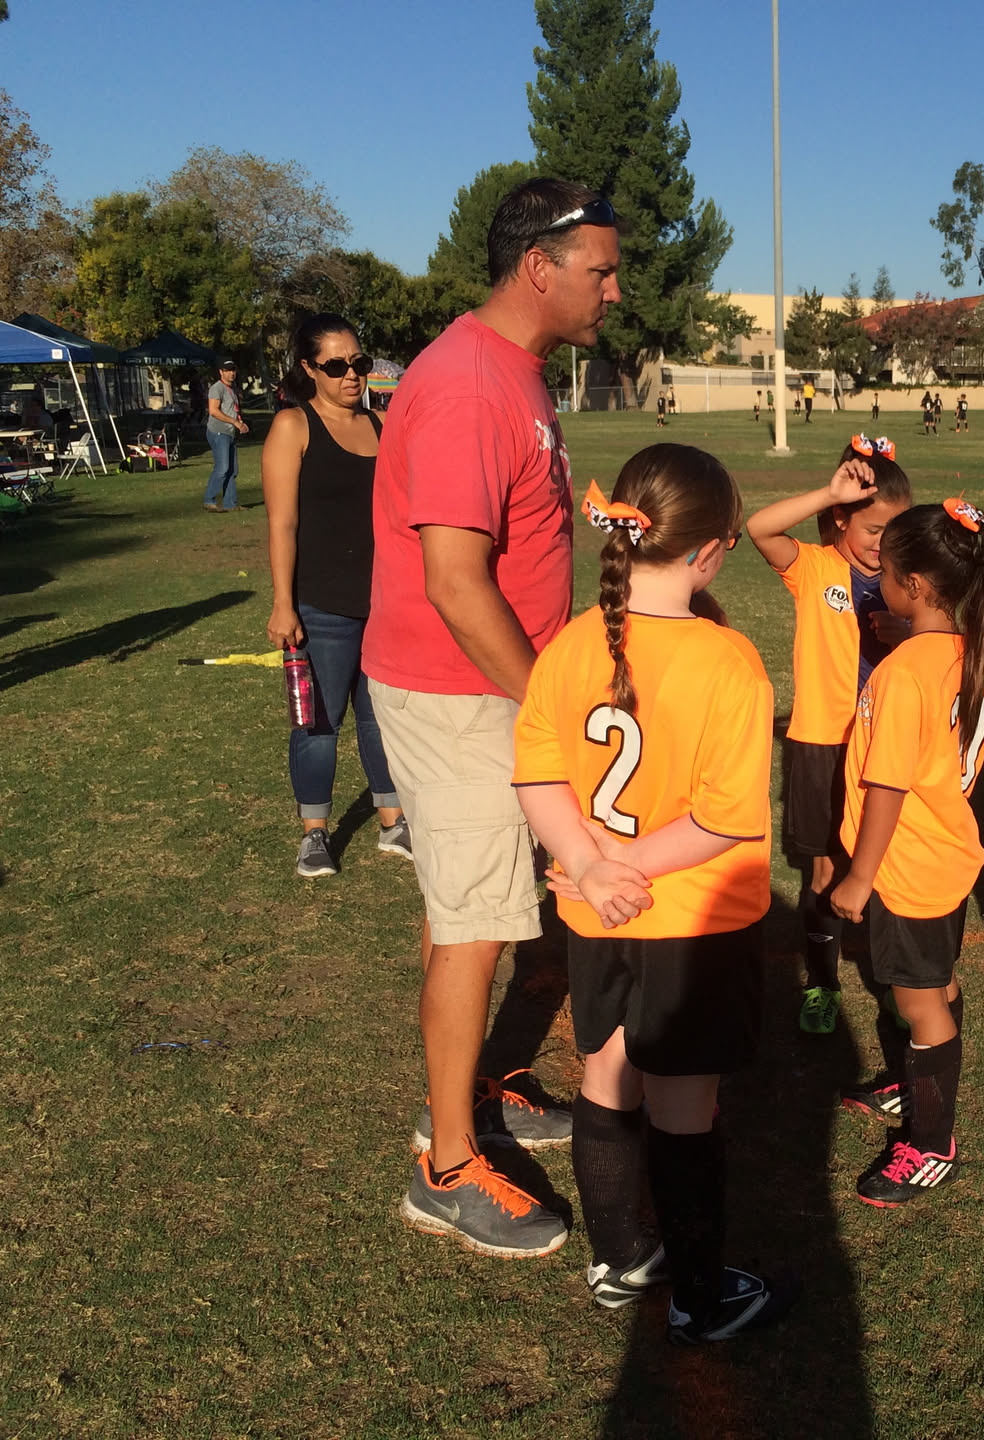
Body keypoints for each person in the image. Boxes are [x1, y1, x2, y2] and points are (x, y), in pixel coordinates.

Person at [368, 177, 620, 1258]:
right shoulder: (471, 384)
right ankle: (447, 1164)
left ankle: (470, 1091)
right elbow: (456, 583)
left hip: (487, 690)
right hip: (459, 693)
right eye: (601, 270)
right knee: (472, 924)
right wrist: (549, 702)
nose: (615, 289)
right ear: (537, 267)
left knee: (470, 909)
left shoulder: (512, 372)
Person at [514, 444, 790, 1342]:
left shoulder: (569, 644)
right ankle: (701, 1296)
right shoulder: (727, 660)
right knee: (682, 1105)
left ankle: (618, 1258)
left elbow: (536, 776)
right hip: (691, 922)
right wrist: (622, 868)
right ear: (707, 553)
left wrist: (589, 865)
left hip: (597, 914)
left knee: (605, 1075)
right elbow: (724, 821)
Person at [830, 496, 984, 1207]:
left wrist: (859, 876)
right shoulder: (958, 651)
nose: (879, 580)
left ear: (917, 586)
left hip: (907, 865)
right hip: (943, 853)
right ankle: (918, 1080)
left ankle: (931, 1143)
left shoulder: (903, 673)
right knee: (936, 983)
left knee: (919, 1000)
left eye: (888, 572)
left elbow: (888, 785)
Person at [746, 435, 912, 1037]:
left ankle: (894, 982)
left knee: (884, 865)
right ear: (841, 518)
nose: (881, 545)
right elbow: (759, 528)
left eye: (893, 533)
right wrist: (828, 492)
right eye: (872, 530)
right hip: (822, 744)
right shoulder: (815, 569)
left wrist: (907, 633)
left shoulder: (907, 582)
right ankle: (822, 984)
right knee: (824, 873)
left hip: (885, 745)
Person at [262, 312, 409, 879]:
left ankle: (393, 821)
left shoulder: (382, 425)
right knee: (319, 724)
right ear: (308, 368)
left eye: (359, 362)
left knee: (381, 719)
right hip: (319, 606)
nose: (352, 374)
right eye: (336, 365)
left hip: (384, 604)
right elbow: (282, 524)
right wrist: (283, 603)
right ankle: (314, 833)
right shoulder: (293, 426)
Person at [203, 358, 249, 512]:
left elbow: (232, 410)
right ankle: (209, 500)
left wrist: (240, 423)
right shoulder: (217, 388)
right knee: (222, 468)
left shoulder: (232, 389)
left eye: (233, 370)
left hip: (230, 433)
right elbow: (213, 411)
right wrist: (234, 422)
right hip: (219, 432)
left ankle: (230, 503)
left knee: (232, 470)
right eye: (228, 370)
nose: (231, 373)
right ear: (221, 372)